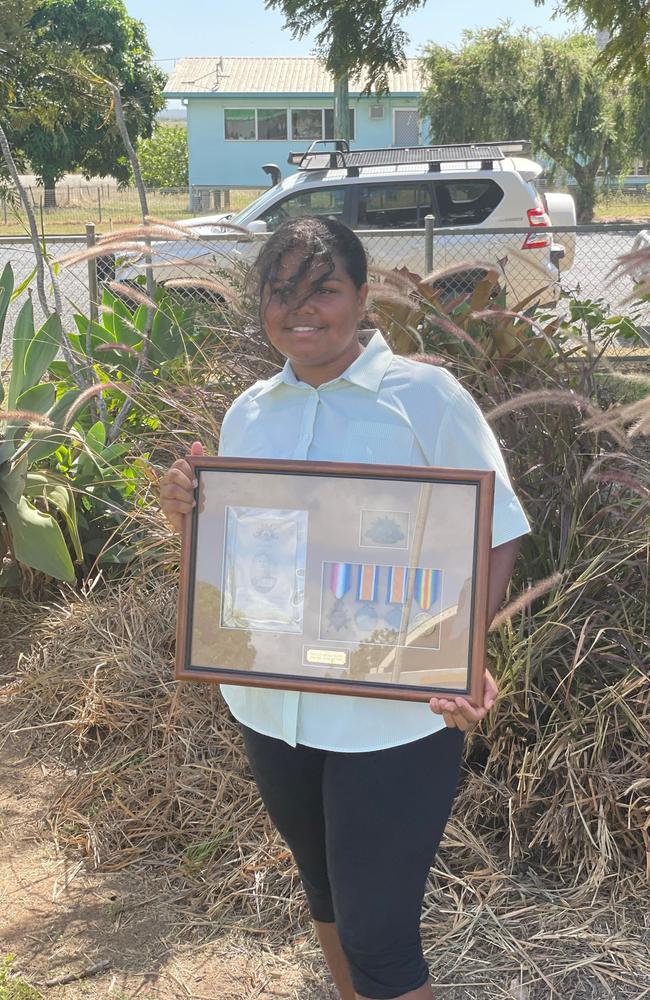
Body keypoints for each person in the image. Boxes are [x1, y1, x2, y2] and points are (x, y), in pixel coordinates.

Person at [159, 217, 529, 1000]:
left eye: (323, 289)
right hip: (273, 707)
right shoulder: (251, 411)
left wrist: (469, 652)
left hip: (389, 714)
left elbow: (495, 533)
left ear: (363, 297)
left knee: (380, 937)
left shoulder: (426, 398)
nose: (302, 309)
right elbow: (241, 546)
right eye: (280, 292)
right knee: (325, 892)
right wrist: (186, 512)